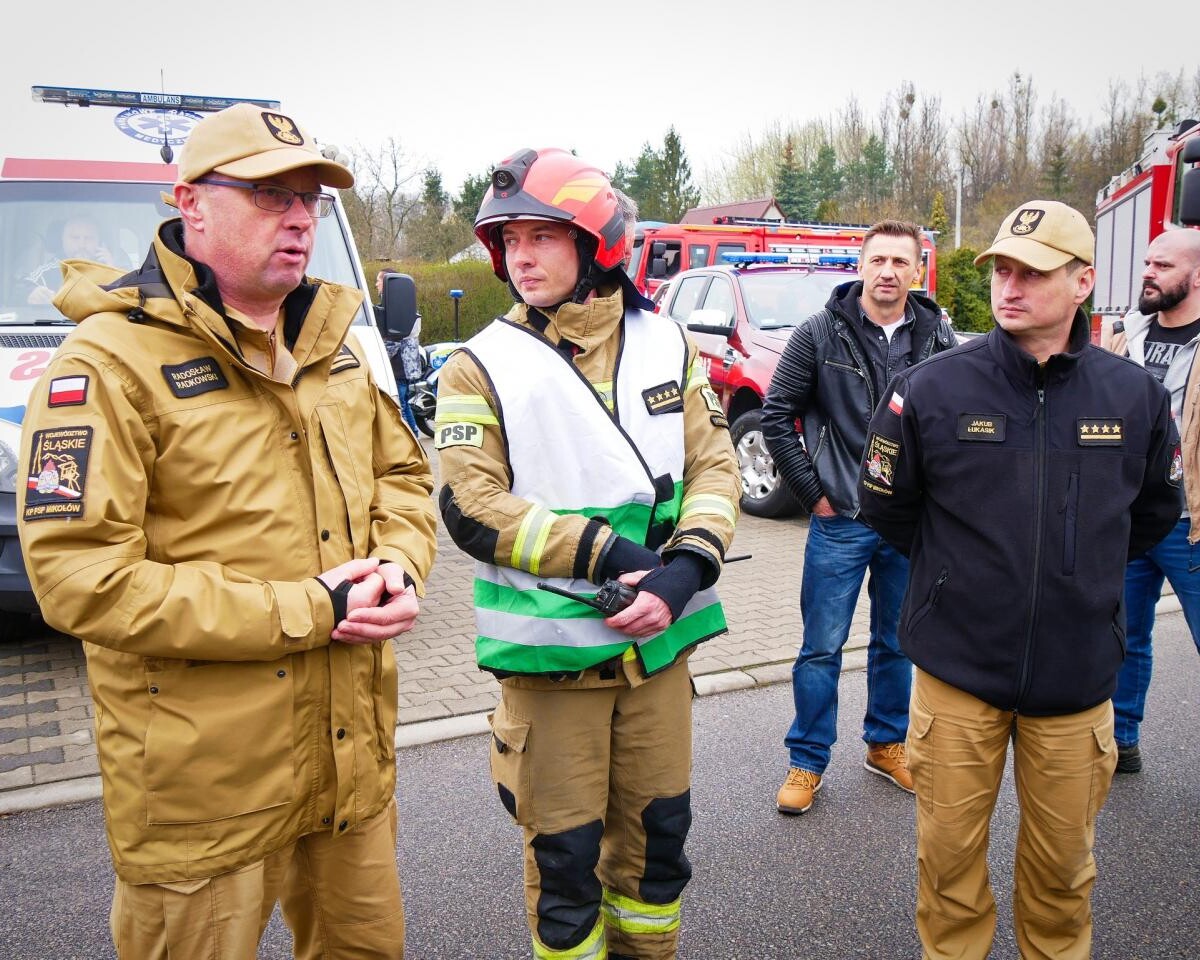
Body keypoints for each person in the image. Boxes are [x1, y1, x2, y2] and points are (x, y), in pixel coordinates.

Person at [17, 103, 438, 959]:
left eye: (310, 199)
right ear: (190, 203)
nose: (297, 217)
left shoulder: (339, 348)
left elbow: (403, 476)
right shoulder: (104, 364)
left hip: (346, 766)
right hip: (202, 791)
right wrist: (306, 609)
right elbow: (77, 577)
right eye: (268, 194)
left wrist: (398, 560)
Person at [434, 148, 740, 960]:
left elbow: (714, 464)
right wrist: (609, 555)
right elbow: (470, 505)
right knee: (566, 876)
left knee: (656, 856)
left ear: (596, 242)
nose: (520, 257)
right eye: (508, 241)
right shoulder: (478, 365)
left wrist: (686, 572)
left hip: (658, 643)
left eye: (541, 235)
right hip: (554, 660)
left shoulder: (666, 339)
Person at [857, 200, 1182, 960]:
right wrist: (957, 582)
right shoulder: (932, 389)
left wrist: (1076, 581)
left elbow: (1154, 513)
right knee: (947, 871)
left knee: (1064, 876)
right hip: (958, 676)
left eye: (1032, 272)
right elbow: (887, 505)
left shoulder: (1133, 397)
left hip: (1075, 684)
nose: (1009, 286)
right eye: (1002, 268)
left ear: (1082, 283)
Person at [760, 219, 955, 814]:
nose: (889, 272)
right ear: (862, 265)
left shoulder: (937, 334)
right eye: (879, 261)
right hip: (839, 517)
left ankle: (886, 744)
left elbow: (957, 419)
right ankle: (807, 760)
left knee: (896, 643)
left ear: (916, 270)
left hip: (908, 524)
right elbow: (776, 415)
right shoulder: (819, 333)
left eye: (901, 262)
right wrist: (812, 492)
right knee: (821, 646)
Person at [1102, 228, 1200, 774]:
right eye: (1146, 262)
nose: (1148, 272)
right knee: (1124, 638)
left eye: (1162, 265)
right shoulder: (1125, 337)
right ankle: (1121, 740)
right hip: (1130, 521)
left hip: (1192, 525)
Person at [23, 215, 113, 304]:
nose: (82, 245)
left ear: (99, 242)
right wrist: (32, 294)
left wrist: (112, 271)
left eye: (88, 238)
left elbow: (123, 303)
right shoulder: (44, 275)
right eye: (75, 238)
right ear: (63, 240)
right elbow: (20, 291)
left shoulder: (112, 268)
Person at [376, 267, 423, 432]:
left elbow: (394, 342)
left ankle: (411, 439)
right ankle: (415, 435)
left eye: (379, 280)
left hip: (399, 367)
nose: (376, 284)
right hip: (401, 367)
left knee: (400, 405)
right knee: (403, 403)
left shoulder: (398, 309)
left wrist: (377, 356)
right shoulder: (400, 305)